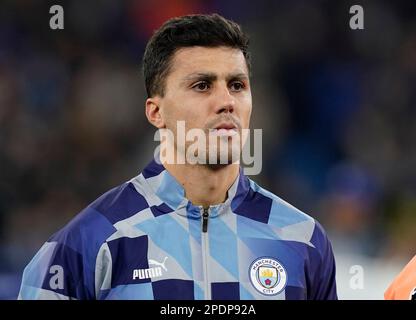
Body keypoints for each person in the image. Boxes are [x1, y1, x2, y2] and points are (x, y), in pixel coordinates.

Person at [18, 13, 337, 300]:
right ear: (156, 112)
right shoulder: (89, 242)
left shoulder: (302, 239)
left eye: (237, 85)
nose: (226, 102)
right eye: (202, 86)